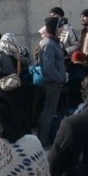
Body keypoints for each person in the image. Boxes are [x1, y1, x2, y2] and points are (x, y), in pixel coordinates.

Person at [0, 33, 32, 132]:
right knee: (17, 109)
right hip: (17, 84)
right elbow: (26, 66)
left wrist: (2, 76)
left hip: (3, 86)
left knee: (3, 109)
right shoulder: (19, 53)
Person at [36, 17, 67, 148]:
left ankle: (43, 138)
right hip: (52, 84)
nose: (62, 30)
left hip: (54, 82)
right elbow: (49, 67)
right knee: (49, 112)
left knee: (48, 111)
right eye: (60, 27)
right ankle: (43, 140)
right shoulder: (48, 44)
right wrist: (61, 78)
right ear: (54, 28)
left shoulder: (51, 42)